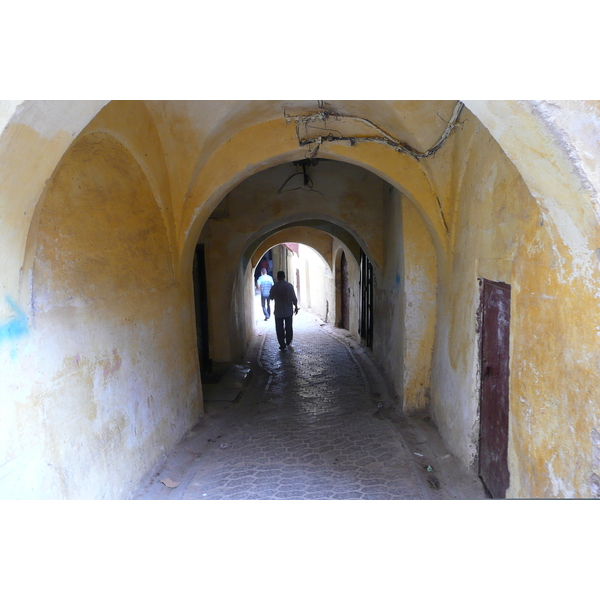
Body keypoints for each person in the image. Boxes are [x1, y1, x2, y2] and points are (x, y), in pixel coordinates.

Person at [269, 270, 299, 350]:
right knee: (289, 327)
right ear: (284, 277)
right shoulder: (289, 286)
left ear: (277, 277)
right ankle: (288, 341)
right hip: (288, 310)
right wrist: (296, 307)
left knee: (279, 328)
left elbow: (271, 297)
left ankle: (282, 344)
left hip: (278, 311)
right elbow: (293, 298)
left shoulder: (274, 287)